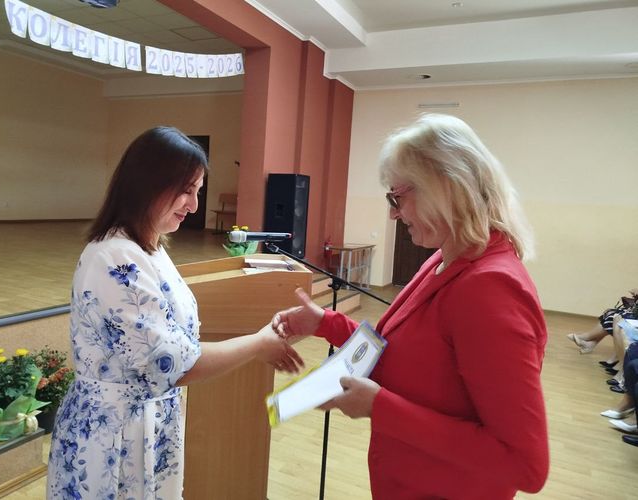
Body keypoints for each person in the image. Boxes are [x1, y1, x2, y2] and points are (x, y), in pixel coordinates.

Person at [273, 114, 549, 498]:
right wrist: (324, 322)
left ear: (445, 187)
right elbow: (399, 353)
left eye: (397, 197)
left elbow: (524, 464)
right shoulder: (444, 259)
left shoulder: (490, 288)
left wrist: (380, 407)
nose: (393, 213)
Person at [47, 127, 303, 499]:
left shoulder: (149, 248)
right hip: (114, 435)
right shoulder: (116, 258)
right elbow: (173, 364)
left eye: (198, 191)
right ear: (147, 184)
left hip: (147, 424)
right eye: (187, 190)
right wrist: (258, 344)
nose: (194, 205)